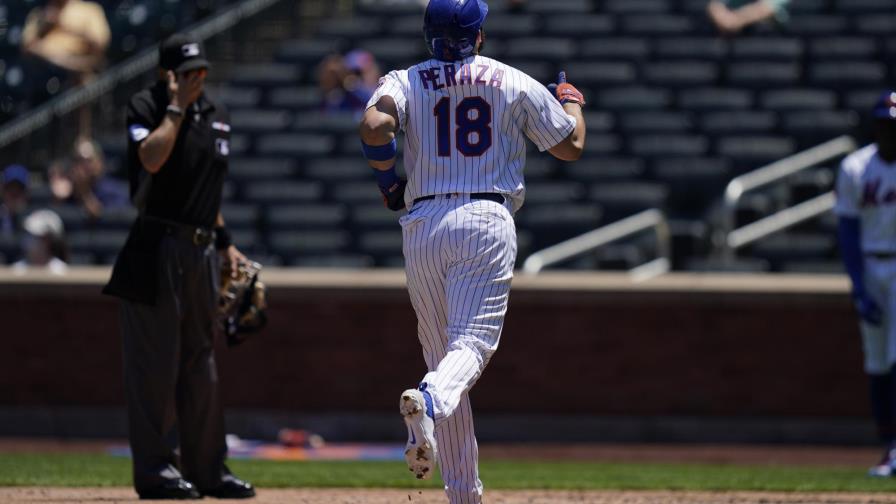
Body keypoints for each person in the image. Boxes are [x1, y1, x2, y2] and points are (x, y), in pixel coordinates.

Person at [358, 0, 586, 502]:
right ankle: (429, 399)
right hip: (484, 217)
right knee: (470, 350)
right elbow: (570, 146)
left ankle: (464, 493)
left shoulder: (406, 78)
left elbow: (375, 129)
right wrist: (571, 100)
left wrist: (386, 183)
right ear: (478, 35)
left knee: (444, 359)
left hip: (422, 223)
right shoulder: (510, 79)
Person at [101, 33, 254, 500]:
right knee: (155, 366)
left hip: (202, 249)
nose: (197, 80)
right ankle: (156, 471)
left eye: (201, 72)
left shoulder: (217, 115)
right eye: (187, 73)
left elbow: (208, 194)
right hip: (156, 248)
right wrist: (175, 108)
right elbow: (150, 158)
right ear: (167, 75)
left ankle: (208, 469)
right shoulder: (146, 106)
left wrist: (226, 245)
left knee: (200, 364)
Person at [835, 90, 896, 477]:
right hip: (874, 265)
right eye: (884, 123)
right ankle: (888, 447)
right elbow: (847, 229)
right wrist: (858, 286)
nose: (889, 130)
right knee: (876, 363)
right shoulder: (856, 167)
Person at [49, 137, 129, 219]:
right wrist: (57, 199)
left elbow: (100, 216)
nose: (82, 165)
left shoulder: (112, 191)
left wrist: (84, 191)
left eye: (88, 160)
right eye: (77, 160)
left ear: (99, 162)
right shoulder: (68, 189)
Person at [12, 209, 68, 275]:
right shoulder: (16, 271)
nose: (28, 239)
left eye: (34, 236)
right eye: (28, 234)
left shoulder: (62, 271)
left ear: (49, 240)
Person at [706, 0, 790, 34]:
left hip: (770, 43)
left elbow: (767, 9)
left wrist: (735, 21)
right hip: (737, 46)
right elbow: (715, 6)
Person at [0, 165, 30, 237]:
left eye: (19, 189)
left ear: (27, 192)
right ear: (2, 191)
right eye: (10, 189)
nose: (14, 192)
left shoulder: (36, 219)